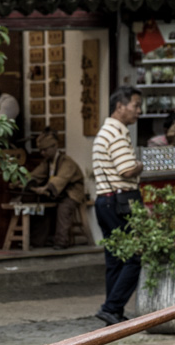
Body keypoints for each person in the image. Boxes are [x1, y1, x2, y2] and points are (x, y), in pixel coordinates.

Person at [91, 87, 144, 324]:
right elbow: (126, 169)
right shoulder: (116, 132)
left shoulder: (107, 130)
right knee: (134, 257)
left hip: (106, 200)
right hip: (119, 201)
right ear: (120, 106)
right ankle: (112, 307)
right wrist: (141, 165)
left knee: (115, 259)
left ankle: (114, 312)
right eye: (135, 105)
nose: (139, 111)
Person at [27, 127, 87, 249]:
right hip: (57, 193)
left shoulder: (67, 162)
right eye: (41, 150)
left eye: (45, 150)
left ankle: (61, 242)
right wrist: (22, 181)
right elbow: (35, 175)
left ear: (54, 146)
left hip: (72, 193)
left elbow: (61, 179)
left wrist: (46, 188)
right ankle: (37, 241)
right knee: (41, 207)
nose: (42, 153)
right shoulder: (47, 163)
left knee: (63, 208)